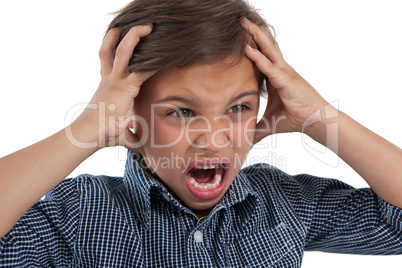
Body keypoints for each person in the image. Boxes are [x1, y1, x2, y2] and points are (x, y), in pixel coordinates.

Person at [1, 0, 401, 267]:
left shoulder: (286, 204)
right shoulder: (79, 213)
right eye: (181, 111)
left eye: (238, 107)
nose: (213, 139)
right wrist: (86, 131)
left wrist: (320, 117)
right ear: (129, 115)